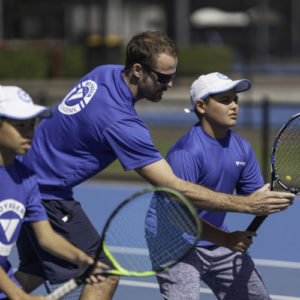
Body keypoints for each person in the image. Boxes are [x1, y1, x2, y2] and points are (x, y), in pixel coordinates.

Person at [15, 31, 294, 300]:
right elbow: (172, 187)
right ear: (137, 70)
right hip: (47, 194)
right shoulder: (122, 123)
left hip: (22, 179)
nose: (169, 84)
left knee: (33, 271)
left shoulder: (104, 73)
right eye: (162, 77)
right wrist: (247, 206)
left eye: (172, 77)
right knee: (103, 273)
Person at [154, 72, 274, 300]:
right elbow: (180, 218)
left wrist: (269, 201)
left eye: (235, 100)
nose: (234, 106)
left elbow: (254, 199)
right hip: (176, 243)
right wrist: (226, 240)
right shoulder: (185, 152)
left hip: (217, 240)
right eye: (225, 100)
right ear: (201, 106)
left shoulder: (243, 148)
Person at [0, 85, 106, 300]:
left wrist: (82, 259)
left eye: (31, 125)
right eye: (20, 126)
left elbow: (47, 237)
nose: (29, 133)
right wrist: (19, 296)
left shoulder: (26, 178)